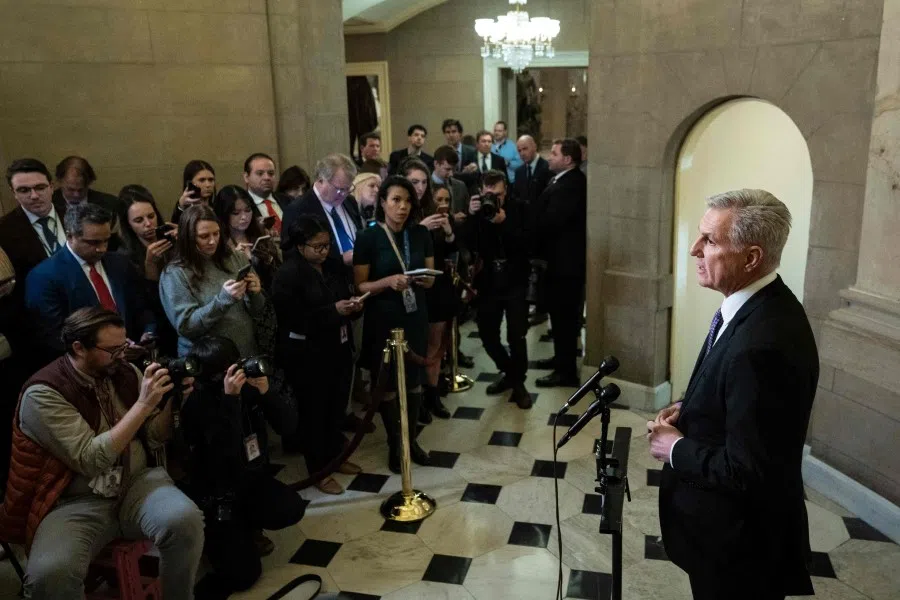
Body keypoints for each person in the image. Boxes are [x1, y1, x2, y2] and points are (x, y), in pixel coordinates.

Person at [648, 190, 818, 600]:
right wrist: (691, 407)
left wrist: (674, 447)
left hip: (738, 546)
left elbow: (749, 470)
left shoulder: (762, 345)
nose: (694, 250)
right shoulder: (759, 304)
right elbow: (743, 401)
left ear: (752, 257)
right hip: (728, 535)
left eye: (709, 240)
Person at [0, 307, 204, 600]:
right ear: (78, 347)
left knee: (185, 520)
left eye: (124, 345)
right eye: (112, 349)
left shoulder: (122, 371)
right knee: (49, 575)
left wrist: (174, 401)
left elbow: (154, 438)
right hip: (75, 501)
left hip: (136, 482)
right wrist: (144, 405)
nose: (122, 355)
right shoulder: (43, 393)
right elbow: (91, 459)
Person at [180, 335, 304, 598]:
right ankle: (221, 535)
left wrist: (267, 392)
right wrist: (230, 401)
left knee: (290, 508)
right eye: (227, 371)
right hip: (218, 494)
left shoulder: (249, 388)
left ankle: (248, 527)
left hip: (250, 481)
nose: (235, 374)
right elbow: (222, 453)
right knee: (244, 577)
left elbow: (288, 427)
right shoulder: (197, 403)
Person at [272, 217, 365, 494]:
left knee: (336, 409)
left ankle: (336, 457)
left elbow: (346, 294)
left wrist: (354, 306)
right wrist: (333, 311)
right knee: (315, 414)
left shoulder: (332, 267)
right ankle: (319, 471)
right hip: (307, 356)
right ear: (301, 247)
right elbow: (291, 319)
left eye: (327, 245)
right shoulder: (288, 274)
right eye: (318, 247)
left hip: (337, 348)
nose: (324, 251)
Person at [354, 176, 435, 473]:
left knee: (413, 380)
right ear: (383, 202)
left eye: (407, 201)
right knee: (387, 382)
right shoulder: (368, 237)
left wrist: (426, 279)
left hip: (415, 313)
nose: (402, 207)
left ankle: (410, 440)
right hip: (383, 316)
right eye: (395, 200)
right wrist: (388, 282)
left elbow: (429, 274)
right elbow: (361, 286)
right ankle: (394, 443)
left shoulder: (420, 233)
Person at [25, 202, 156, 364]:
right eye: (93, 243)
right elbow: (54, 336)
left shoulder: (120, 263)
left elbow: (142, 308)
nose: (101, 249)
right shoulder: (44, 277)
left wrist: (148, 334)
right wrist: (111, 350)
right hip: (85, 370)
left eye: (106, 241)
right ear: (70, 236)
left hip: (133, 363)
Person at [462, 170, 533, 408]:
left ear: (507, 191)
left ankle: (518, 384)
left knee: (517, 335)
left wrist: (505, 224)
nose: (494, 199)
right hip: (488, 282)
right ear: (481, 192)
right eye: (489, 195)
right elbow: (468, 245)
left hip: (515, 281)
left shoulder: (521, 209)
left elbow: (529, 244)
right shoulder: (479, 212)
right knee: (487, 335)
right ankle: (511, 374)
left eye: (499, 195)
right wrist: (472, 216)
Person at [159, 204, 267, 358]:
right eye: (204, 236)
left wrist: (256, 293)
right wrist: (223, 300)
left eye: (216, 234)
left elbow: (259, 311)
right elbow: (186, 326)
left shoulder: (234, 257)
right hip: (206, 360)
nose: (212, 241)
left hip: (245, 350)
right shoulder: (174, 274)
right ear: (188, 237)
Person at [0, 159, 68, 370]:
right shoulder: (4, 232)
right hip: (36, 334)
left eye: (40, 187)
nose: (34, 195)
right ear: (13, 192)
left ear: (51, 186)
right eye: (24, 190)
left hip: (85, 317)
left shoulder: (75, 215)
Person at [401, 159, 454, 422]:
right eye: (414, 182)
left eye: (424, 182)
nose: (420, 188)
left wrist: (448, 232)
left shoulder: (434, 208)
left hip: (437, 285)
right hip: (411, 286)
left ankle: (433, 395)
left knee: (435, 344)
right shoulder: (398, 209)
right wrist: (421, 230)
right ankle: (416, 399)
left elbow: (451, 249)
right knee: (414, 346)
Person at [535, 139, 587, 388]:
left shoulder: (573, 183)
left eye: (554, 154)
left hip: (567, 266)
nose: (549, 157)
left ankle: (566, 372)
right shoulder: (561, 180)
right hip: (558, 263)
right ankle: (560, 360)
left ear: (567, 159)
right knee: (558, 317)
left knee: (565, 319)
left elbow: (553, 220)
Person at [115, 184, 179, 356]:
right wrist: (150, 267)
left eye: (151, 216)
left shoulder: (170, 239)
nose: (148, 224)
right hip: (157, 330)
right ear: (128, 224)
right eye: (138, 220)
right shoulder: (123, 257)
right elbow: (144, 305)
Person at [282, 153, 361, 273]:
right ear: (320, 180)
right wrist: (341, 260)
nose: (344, 194)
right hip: (324, 283)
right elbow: (292, 258)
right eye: (339, 189)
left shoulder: (350, 201)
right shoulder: (297, 209)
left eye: (348, 189)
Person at [513, 135, 553, 328]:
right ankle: (530, 304)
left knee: (542, 270)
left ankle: (542, 309)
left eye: (525, 149)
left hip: (543, 229)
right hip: (525, 229)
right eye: (519, 150)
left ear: (534, 146)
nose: (522, 153)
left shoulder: (546, 168)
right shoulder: (519, 171)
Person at [213, 185, 282, 292]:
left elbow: (277, 271)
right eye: (236, 213)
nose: (244, 217)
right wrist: (234, 259)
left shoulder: (259, 233)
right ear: (224, 214)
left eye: (248, 210)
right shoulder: (217, 243)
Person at [243, 152, 292, 236]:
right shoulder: (242, 206)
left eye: (271, 173)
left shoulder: (288, 201)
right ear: (246, 177)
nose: (267, 178)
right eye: (260, 173)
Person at [52, 156, 119, 214]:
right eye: (71, 189)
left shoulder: (110, 204)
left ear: (89, 183)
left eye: (81, 190)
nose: (76, 195)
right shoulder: (49, 204)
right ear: (59, 182)